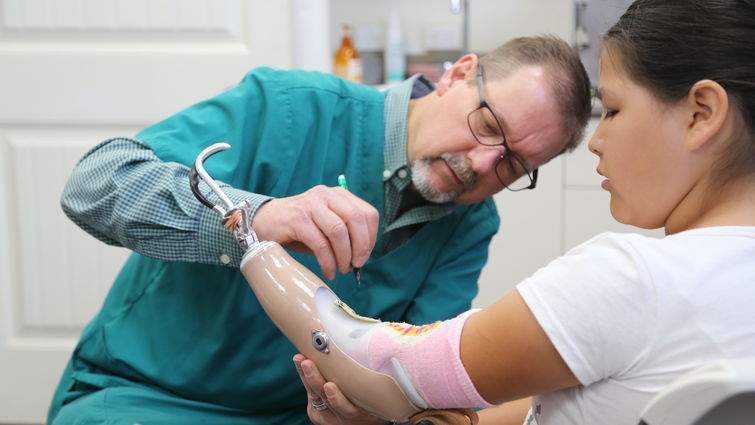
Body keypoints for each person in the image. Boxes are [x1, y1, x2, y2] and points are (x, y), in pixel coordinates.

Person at [47, 35, 592, 425]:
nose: (480, 162)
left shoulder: (471, 224)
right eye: (488, 125)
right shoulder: (288, 107)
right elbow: (94, 184)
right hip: (145, 396)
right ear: (458, 74)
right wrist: (254, 217)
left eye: (512, 165)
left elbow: (417, 380)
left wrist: (369, 411)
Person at [295, 1, 755, 424]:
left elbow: (372, 360)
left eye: (612, 110)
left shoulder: (631, 281)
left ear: (702, 113)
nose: (596, 142)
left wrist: (259, 237)